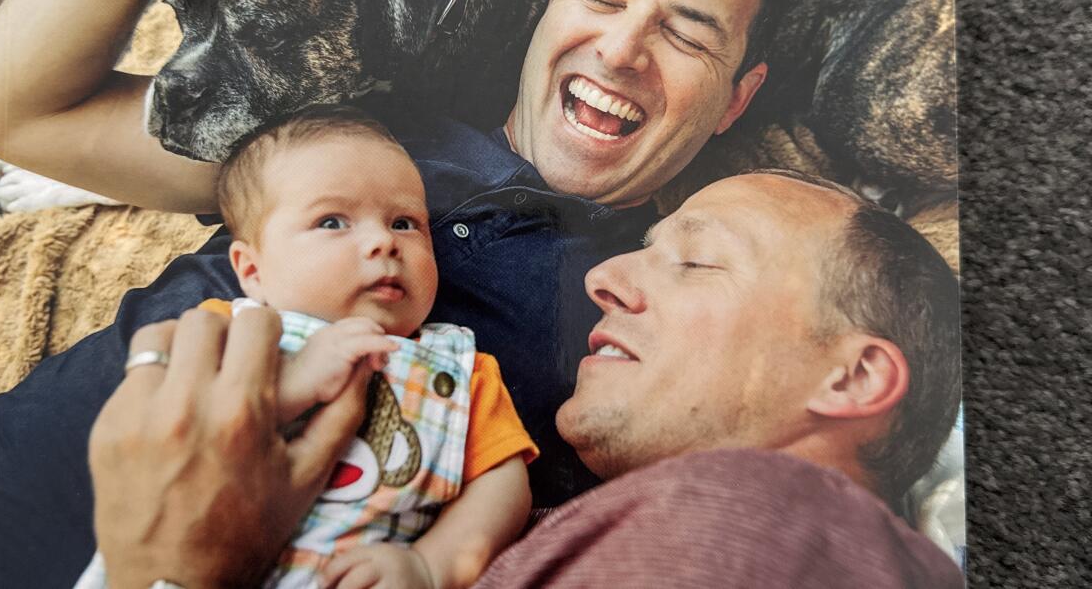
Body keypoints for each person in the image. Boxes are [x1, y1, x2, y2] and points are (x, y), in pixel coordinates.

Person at [0, 0, 783, 584]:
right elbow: (8, 109)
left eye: (688, 35)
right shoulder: (357, 134)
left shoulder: (635, 301)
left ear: (737, 100)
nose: (620, 49)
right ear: (549, 5)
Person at [88, 171, 963, 588]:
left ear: (853, 377)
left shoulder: (756, 526)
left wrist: (174, 569)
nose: (603, 279)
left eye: (697, 261)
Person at [74, 105, 536, 589]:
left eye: (404, 222)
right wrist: (290, 383)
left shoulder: (462, 370)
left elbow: (502, 484)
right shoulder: (227, 330)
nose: (382, 242)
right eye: (332, 222)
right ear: (253, 271)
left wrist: (429, 566)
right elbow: (167, 430)